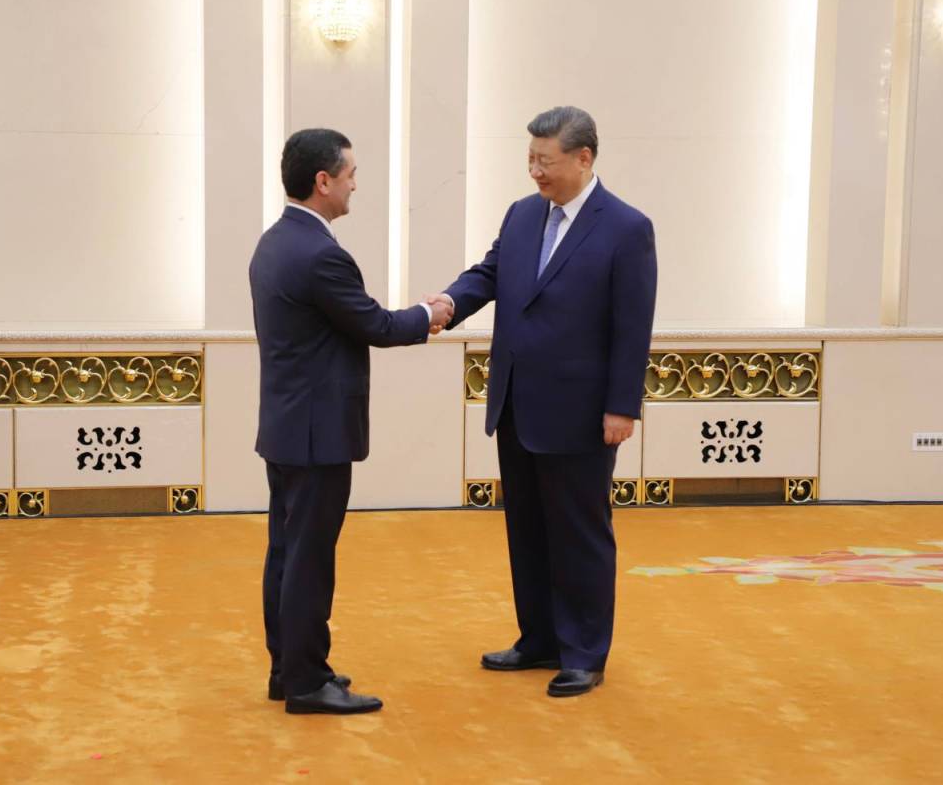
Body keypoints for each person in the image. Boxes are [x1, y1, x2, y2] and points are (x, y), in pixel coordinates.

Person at [429, 106, 657, 697]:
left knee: (580, 533)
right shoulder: (523, 214)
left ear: (583, 158)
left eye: (545, 161)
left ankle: (584, 653)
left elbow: (633, 326)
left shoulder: (626, 228)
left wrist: (622, 406)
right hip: (516, 403)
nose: (534, 171)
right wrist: (450, 302)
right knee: (526, 528)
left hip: (582, 412)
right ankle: (538, 639)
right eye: (529, 158)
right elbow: (490, 273)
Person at [250, 128, 452, 714]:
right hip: (318, 435)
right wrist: (430, 313)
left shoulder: (273, 242)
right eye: (351, 174)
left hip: (287, 427)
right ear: (323, 181)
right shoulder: (321, 255)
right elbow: (376, 325)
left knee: (287, 554)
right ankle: (307, 683)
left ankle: (289, 669)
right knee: (309, 560)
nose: (356, 185)